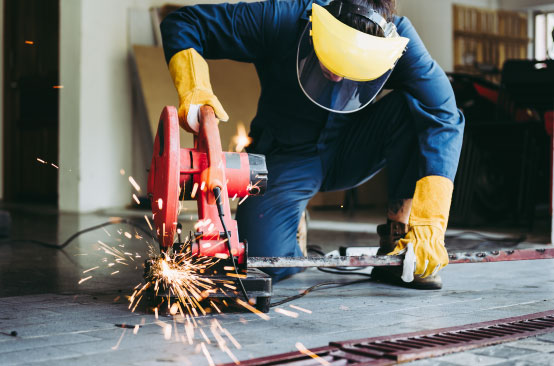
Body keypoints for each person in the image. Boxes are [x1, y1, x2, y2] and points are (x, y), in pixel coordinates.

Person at [160, 0, 465, 289]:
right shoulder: (281, 19)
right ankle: (292, 229)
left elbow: (445, 115)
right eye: (330, 62)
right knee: (261, 259)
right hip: (288, 157)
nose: (336, 77)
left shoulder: (398, 41)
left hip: (353, 149)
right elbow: (184, 23)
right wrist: (195, 90)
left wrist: (430, 224)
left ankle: (401, 239)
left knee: (417, 109)